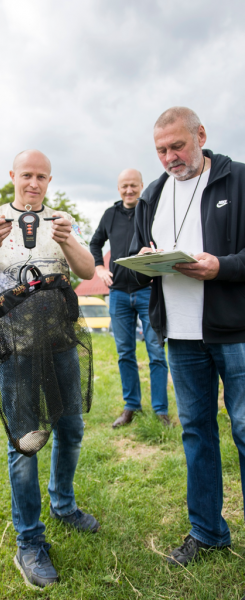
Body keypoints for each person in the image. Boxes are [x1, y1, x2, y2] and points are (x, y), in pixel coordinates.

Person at [0, 149, 98, 589]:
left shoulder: (62, 221)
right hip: (14, 348)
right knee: (25, 442)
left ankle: (63, 503)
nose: (33, 183)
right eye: (26, 175)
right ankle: (29, 540)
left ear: (49, 180)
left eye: (41, 177)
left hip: (60, 341)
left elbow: (88, 270)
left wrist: (70, 238)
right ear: (12, 176)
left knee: (70, 428)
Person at [130, 107, 245, 575]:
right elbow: (141, 251)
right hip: (179, 336)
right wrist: (142, 263)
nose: (170, 157)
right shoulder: (152, 194)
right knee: (196, 432)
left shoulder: (237, 180)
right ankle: (207, 532)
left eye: (177, 146)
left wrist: (222, 267)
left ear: (201, 135)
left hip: (235, 331)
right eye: (161, 150)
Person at [90, 169, 170, 427]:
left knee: (156, 352)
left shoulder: (149, 211)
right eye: (124, 186)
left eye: (133, 186)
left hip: (147, 291)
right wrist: (100, 268)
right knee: (125, 353)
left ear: (141, 186)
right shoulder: (109, 215)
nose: (129, 191)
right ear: (118, 188)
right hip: (118, 294)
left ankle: (160, 410)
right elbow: (95, 243)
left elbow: (165, 241)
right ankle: (131, 406)